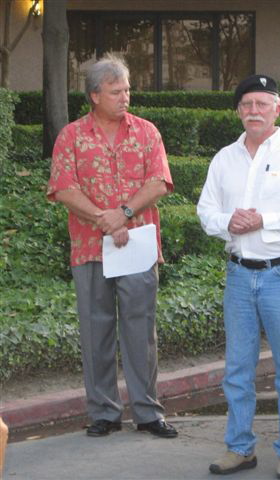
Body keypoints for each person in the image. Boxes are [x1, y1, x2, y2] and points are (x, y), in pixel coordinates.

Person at [197, 74, 280, 479]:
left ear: (277, 109)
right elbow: (205, 212)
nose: (254, 111)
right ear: (238, 110)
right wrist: (227, 223)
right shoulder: (224, 158)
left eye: (262, 104)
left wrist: (263, 220)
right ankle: (240, 448)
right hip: (238, 277)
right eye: (247, 104)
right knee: (237, 369)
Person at [47, 54, 177, 439]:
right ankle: (103, 412)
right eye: (116, 91)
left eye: (128, 90)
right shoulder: (71, 136)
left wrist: (121, 213)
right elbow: (63, 188)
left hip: (136, 245)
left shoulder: (147, 132)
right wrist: (103, 220)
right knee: (95, 329)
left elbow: (159, 183)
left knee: (141, 330)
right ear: (94, 95)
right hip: (90, 247)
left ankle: (148, 412)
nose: (125, 97)